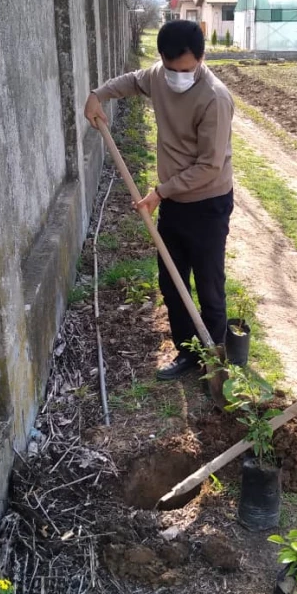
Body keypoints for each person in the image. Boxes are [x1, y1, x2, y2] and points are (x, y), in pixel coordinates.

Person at [84, 20, 234, 381]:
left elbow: (209, 167)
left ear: (201, 57)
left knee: (209, 284)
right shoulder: (159, 77)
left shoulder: (214, 98)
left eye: (184, 69)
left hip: (207, 202)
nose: (176, 76)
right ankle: (187, 352)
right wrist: (97, 94)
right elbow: (134, 80)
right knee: (172, 279)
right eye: (169, 68)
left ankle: (219, 362)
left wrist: (159, 193)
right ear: (162, 59)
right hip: (173, 201)